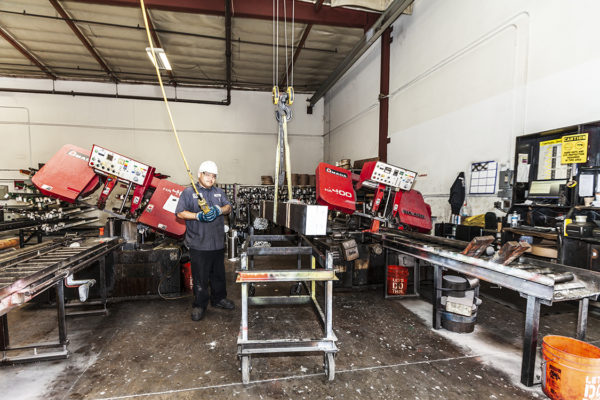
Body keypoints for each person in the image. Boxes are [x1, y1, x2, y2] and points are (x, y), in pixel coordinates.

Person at [176, 160, 234, 321]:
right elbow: (180, 213)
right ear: (200, 174)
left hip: (217, 243)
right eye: (208, 175)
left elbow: (228, 207)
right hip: (199, 244)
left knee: (219, 275)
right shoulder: (189, 193)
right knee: (200, 277)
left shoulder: (219, 192)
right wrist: (197, 215)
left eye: (214, 176)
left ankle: (219, 299)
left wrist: (219, 210)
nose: (211, 179)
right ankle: (200, 305)